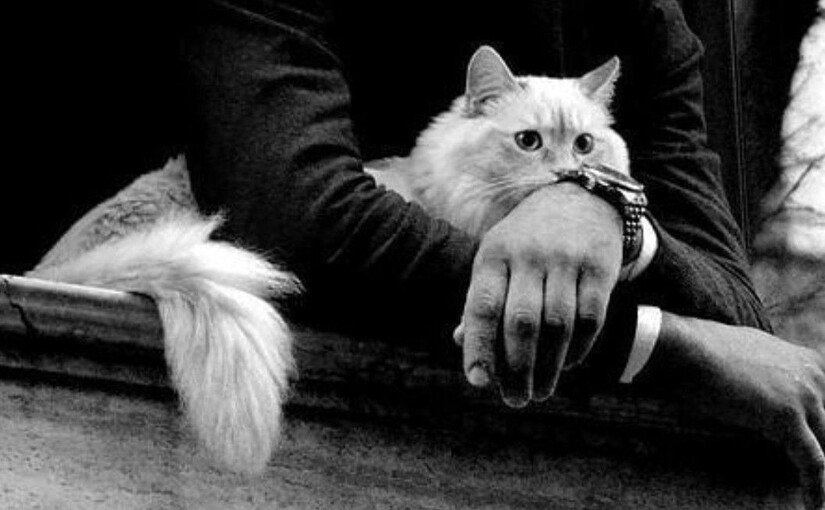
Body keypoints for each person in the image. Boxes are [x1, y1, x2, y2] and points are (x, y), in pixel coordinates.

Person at [4, 0, 821, 506]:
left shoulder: (642, 18)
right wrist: (658, 343)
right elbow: (305, 225)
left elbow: (736, 314)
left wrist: (608, 211)